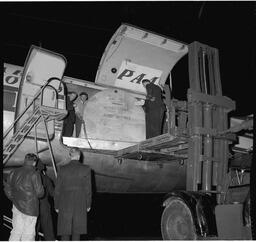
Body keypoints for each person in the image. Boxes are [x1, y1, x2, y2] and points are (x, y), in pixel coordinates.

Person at [4, 153, 44, 241]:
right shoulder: (35, 174)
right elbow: (40, 193)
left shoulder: (14, 172)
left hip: (17, 206)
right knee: (28, 233)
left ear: (25, 160)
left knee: (16, 231)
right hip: (31, 208)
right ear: (34, 163)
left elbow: (7, 188)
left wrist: (14, 198)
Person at [54, 148, 92, 241]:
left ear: (70, 156)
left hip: (64, 203)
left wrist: (56, 205)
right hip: (80, 202)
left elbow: (57, 190)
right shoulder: (86, 169)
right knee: (77, 232)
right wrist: (88, 205)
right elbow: (88, 190)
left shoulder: (62, 169)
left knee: (65, 231)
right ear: (79, 156)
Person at [36, 159, 55, 241]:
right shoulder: (46, 179)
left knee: (34, 228)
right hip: (45, 206)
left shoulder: (31, 177)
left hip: (33, 206)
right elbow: (53, 193)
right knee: (48, 229)